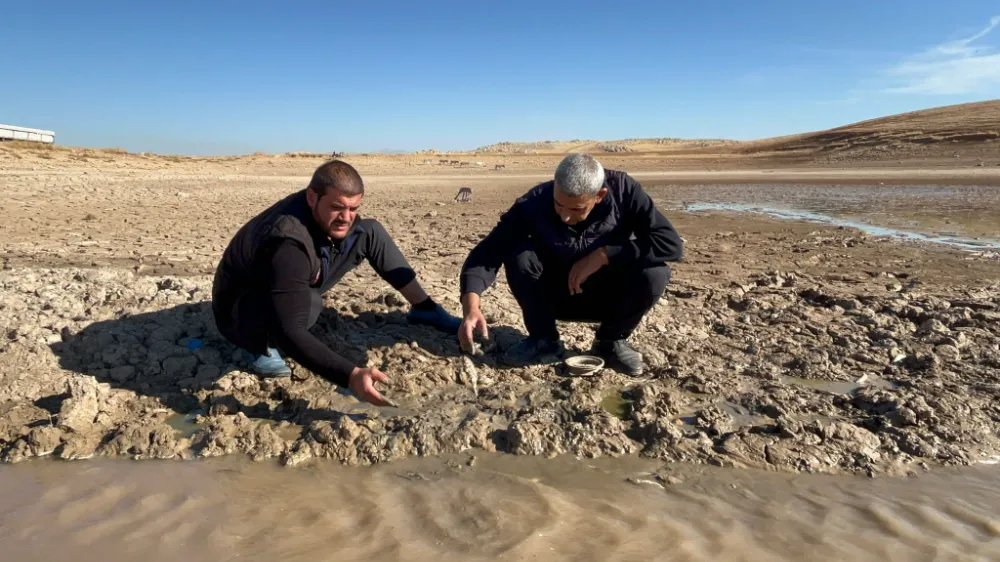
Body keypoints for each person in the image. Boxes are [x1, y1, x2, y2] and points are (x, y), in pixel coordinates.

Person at [211, 160, 462, 406]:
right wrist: (350, 376)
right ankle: (259, 344)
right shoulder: (288, 243)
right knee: (308, 305)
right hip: (241, 310)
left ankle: (425, 309)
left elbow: (349, 226)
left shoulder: (324, 213)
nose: (346, 217)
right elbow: (290, 331)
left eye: (353, 208)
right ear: (312, 197)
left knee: (369, 231)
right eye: (337, 207)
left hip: (294, 276)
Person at [458, 153, 683, 376]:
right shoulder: (534, 202)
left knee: (655, 272)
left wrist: (604, 254)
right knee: (520, 255)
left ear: (600, 195)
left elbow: (670, 244)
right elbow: (488, 252)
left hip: (609, 301)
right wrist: (471, 307)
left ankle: (610, 341)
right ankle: (543, 339)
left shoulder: (625, 191)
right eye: (559, 205)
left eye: (576, 209)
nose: (565, 216)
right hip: (555, 299)